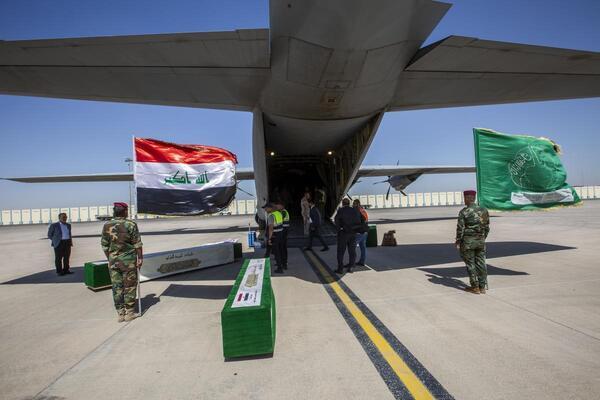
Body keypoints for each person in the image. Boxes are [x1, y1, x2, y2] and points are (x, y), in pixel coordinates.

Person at [101, 202, 143, 322]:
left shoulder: (107, 225)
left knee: (117, 287)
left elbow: (104, 245)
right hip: (128, 261)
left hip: (113, 261)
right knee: (129, 286)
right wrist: (140, 258)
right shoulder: (130, 225)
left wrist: (110, 258)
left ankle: (120, 313)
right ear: (124, 211)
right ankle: (129, 312)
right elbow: (137, 244)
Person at [455, 190, 490, 294]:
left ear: (467, 198)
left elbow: (460, 228)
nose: (464, 200)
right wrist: (483, 238)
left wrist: (458, 241)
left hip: (468, 242)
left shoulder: (464, 212)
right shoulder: (484, 210)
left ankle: (475, 287)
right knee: (481, 263)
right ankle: (482, 286)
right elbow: (487, 227)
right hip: (480, 241)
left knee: (471, 264)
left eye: (464, 198)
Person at [334, 198, 362, 274]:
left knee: (340, 252)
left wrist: (339, 230)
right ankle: (351, 267)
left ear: (343, 203)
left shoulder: (341, 210)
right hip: (353, 234)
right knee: (352, 251)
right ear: (349, 203)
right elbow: (358, 221)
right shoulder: (354, 210)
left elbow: (336, 220)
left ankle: (340, 269)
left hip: (343, 234)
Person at [263, 202, 285, 274]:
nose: (265, 210)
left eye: (266, 208)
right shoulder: (278, 213)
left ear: (270, 208)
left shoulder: (271, 216)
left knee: (276, 252)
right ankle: (283, 264)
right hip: (280, 234)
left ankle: (280, 268)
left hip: (274, 235)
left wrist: (269, 239)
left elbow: (271, 229)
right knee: (280, 250)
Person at [353, 199, 369, 266]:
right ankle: (362, 262)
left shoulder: (357, 211)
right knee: (363, 248)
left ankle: (352, 262)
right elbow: (366, 220)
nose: (353, 205)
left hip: (359, 232)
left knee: (352, 247)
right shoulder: (363, 210)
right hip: (365, 232)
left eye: (354, 203)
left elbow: (356, 222)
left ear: (357, 204)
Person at [275, 200, 290, 270]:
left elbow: (280, 219)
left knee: (283, 248)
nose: (277, 207)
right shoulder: (281, 212)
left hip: (284, 232)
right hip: (282, 232)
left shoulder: (283, 212)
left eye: (278, 205)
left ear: (282, 206)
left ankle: (284, 263)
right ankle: (281, 261)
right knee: (281, 247)